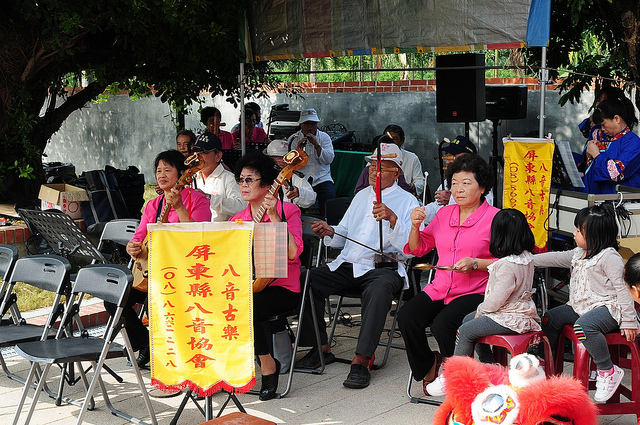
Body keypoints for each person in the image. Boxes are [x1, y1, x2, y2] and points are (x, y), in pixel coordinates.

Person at [296, 142, 419, 389]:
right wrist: (330, 231)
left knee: (379, 289)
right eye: (372, 166)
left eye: (382, 168)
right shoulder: (362, 195)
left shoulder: (408, 201)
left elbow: (412, 248)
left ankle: (362, 359)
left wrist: (394, 220)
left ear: (397, 172)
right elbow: (344, 233)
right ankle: (320, 347)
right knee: (306, 279)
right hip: (349, 264)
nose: (374, 171)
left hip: (384, 268)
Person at [397, 154, 498, 396]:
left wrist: (476, 263)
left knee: (444, 324)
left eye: (466, 183)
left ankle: (459, 380)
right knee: (407, 316)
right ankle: (430, 366)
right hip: (441, 286)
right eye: (454, 183)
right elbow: (418, 248)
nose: (458, 189)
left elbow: (508, 262)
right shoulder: (444, 214)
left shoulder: (495, 218)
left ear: (482, 187)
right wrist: (414, 226)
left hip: (476, 291)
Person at [425, 208, 540, 396]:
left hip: (508, 316)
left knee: (466, 329)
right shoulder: (526, 258)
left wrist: (482, 310)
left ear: (498, 237)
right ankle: (489, 362)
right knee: (468, 320)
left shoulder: (505, 266)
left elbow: (496, 300)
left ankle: (452, 375)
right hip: (521, 312)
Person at [113, 150, 212, 368]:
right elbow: (139, 236)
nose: (162, 175)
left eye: (168, 170)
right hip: (151, 272)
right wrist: (133, 247)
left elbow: (200, 237)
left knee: (155, 300)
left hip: (184, 272)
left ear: (183, 174)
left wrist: (178, 207)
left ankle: (173, 357)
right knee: (113, 299)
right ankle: (145, 343)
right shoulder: (153, 204)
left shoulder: (198, 199)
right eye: (159, 170)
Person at [534, 204, 639, 403]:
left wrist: (629, 321)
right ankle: (546, 366)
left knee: (584, 327)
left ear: (594, 236)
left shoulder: (609, 257)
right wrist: (527, 260)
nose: (574, 234)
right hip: (580, 307)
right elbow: (555, 258)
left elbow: (623, 291)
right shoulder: (578, 253)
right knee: (549, 318)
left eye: (578, 231)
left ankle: (607, 369)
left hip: (607, 308)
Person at [230, 151, 303, 401]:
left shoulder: (288, 210)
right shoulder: (237, 220)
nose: (243, 185)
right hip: (248, 284)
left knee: (250, 307)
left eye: (250, 179)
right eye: (241, 179)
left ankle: (267, 365)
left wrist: (274, 218)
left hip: (282, 288)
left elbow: (294, 254)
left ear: (267, 184)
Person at [423, 135, 493, 222]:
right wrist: (421, 212)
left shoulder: (479, 179)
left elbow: (484, 209)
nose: (449, 161)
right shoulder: (446, 182)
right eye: (447, 156)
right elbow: (437, 207)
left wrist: (452, 198)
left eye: (453, 156)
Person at [582, 96, 640, 193]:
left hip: (619, 201)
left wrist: (596, 155)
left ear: (617, 119)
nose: (602, 129)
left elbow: (616, 173)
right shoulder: (604, 139)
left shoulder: (634, 143)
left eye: (603, 124)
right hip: (598, 198)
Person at [286, 108, 336, 216]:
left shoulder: (324, 137)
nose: (310, 127)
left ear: (317, 124)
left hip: (321, 178)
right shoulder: (293, 139)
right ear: (301, 125)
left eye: (313, 124)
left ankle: (330, 226)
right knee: (295, 198)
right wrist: (298, 151)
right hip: (301, 179)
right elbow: (289, 165)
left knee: (329, 196)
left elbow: (328, 160)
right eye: (307, 124)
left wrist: (317, 145)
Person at [190, 132, 246, 221]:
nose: (198, 157)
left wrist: (209, 198)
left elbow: (241, 206)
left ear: (218, 156)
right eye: (196, 152)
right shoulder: (191, 178)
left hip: (220, 232)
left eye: (204, 152)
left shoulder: (229, 179)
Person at [577, 86, 625, 172]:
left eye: (604, 100)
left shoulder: (630, 141)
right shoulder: (595, 130)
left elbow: (615, 173)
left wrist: (596, 155)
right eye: (598, 100)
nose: (598, 104)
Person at [265, 139, 317, 209]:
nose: (283, 161)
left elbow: (311, 198)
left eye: (286, 158)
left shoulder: (293, 175)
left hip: (287, 216)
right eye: (279, 158)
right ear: (269, 158)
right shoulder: (260, 174)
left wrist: (299, 193)